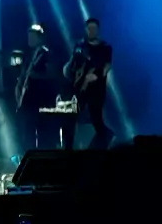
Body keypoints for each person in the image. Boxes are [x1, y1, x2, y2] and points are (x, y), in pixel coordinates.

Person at [63, 18, 113, 149]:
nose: (91, 31)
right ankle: (67, 149)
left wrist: (96, 75)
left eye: (94, 28)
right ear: (86, 29)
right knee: (70, 117)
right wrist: (70, 72)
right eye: (89, 28)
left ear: (98, 30)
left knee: (96, 119)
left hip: (96, 90)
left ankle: (105, 140)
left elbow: (107, 67)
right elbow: (72, 63)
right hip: (79, 88)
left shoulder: (105, 47)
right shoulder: (80, 45)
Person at [15, 25, 58, 155]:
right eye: (29, 36)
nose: (30, 39)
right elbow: (23, 76)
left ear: (40, 38)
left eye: (33, 36)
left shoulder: (46, 54)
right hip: (29, 101)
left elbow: (53, 74)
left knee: (44, 133)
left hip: (43, 100)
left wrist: (35, 75)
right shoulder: (28, 56)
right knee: (28, 133)